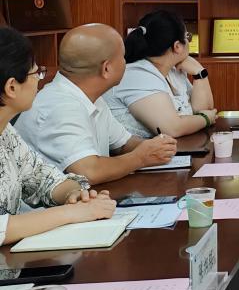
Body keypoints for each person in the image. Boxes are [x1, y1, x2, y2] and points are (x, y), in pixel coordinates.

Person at [16, 24, 177, 185]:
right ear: (106, 69)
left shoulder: (90, 95)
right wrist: (140, 157)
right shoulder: (61, 106)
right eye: (122, 57)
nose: (125, 62)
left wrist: (156, 147)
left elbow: (123, 144)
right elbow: (88, 172)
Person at [0, 27, 115, 245]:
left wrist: (75, 195)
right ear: (12, 87)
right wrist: (73, 213)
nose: (39, 80)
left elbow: (43, 179)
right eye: (36, 74)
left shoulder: (6, 132)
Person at [104, 10, 217, 139]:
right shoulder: (138, 75)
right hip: (133, 151)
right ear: (177, 46)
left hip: (175, 148)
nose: (189, 41)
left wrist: (199, 72)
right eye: (188, 37)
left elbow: (204, 109)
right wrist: (205, 119)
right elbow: (173, 128)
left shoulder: (173, 71)